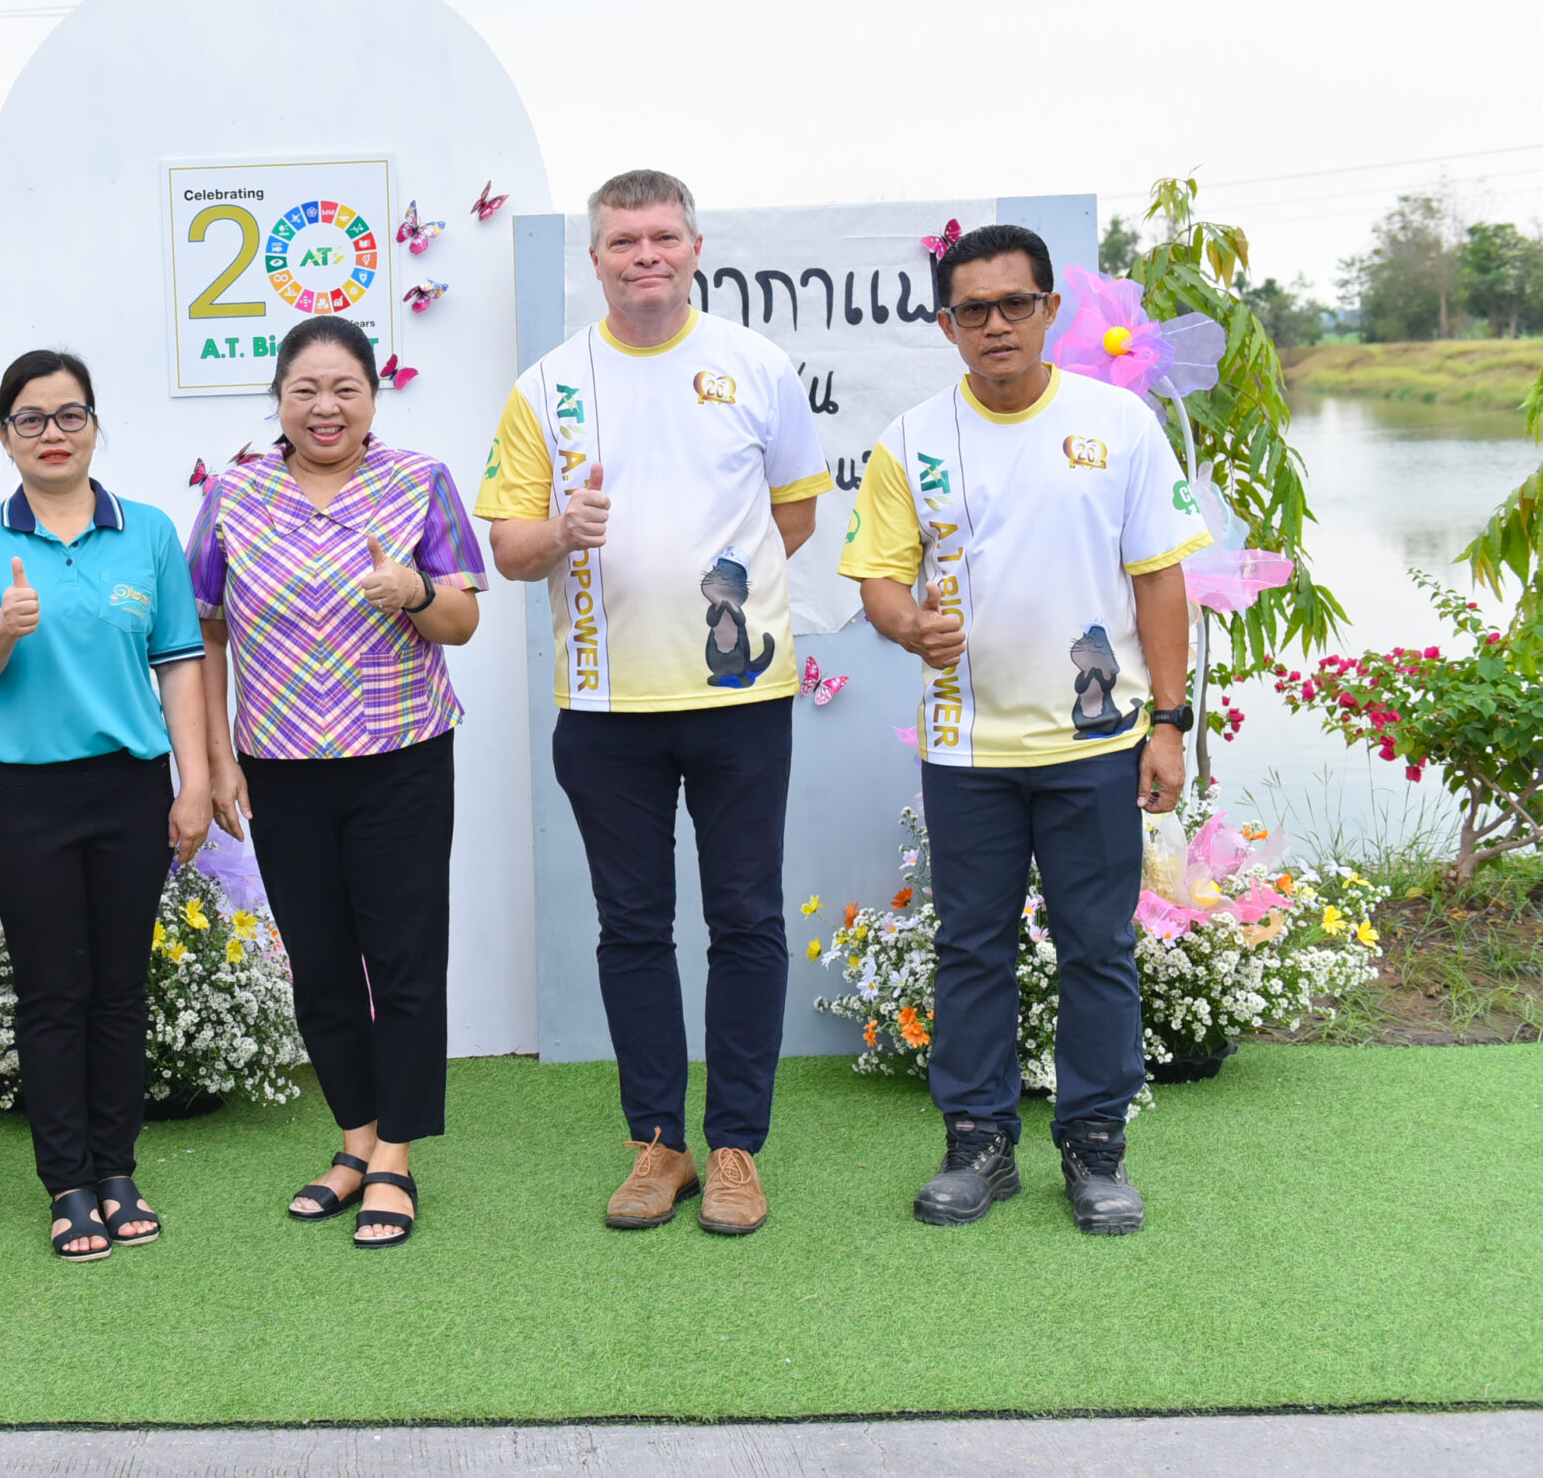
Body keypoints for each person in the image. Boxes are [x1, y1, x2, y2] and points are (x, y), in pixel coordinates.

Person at [475, 169, 831, 1237]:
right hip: (603, 705)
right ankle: (658, 1143)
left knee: (745, 919)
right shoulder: (547, 386)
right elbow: (508, 548)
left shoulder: (756, 366)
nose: (646, 256)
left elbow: (794, 518)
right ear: (595, 259)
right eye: (625, 241)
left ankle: (735, 1147)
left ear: (695, 248)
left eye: (663, 237)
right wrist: (563, 532)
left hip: (738, 698)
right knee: (631, 926)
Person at [838, 222, 1203, 1236]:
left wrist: (1168, 725)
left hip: (1095, 745)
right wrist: (905, 622)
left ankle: (1095, 1149)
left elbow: (1159, 581)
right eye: (973, 310)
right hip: (968, 750)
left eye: (1014, 304)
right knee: (971, 950)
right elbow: (878, 579)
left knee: (1097, 948)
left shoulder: (1118, 425)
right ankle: (977, 1145)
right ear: (946, 324)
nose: (995, 324)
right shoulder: (911, 441)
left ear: (1050, 310)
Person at [191, 316, 486, 1249]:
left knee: (403, 961)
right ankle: (355, 1140)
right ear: (278, 399)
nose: (325, 407)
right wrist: (219, 759)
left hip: (401, 759)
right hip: (279, 768)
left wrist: (416, 592)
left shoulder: (419, 481)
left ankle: (396, 1152)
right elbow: (206, 631)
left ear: (372, 397)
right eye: (305, 390)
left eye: (345, 388)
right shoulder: (233, 495)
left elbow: (464, 618)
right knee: (318, 966)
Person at [0, 349, 209, 1261]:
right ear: (6, 434)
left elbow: (180, 661)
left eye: (69, 415)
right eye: (31, 418)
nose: (52, 433)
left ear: (94, 424)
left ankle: (117, 1168)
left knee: (120, 988)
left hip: (130, 788)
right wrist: (0, 627)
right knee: (52, 992)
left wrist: (194, 781)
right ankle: (67, 1183)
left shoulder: (148, 532)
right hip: (26, 795)